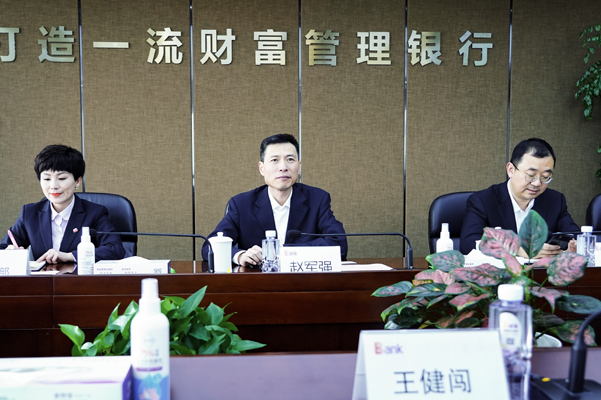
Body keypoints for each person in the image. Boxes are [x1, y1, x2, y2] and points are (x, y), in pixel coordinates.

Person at [201, 134, 348, 267]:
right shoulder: (241, 204)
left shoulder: (317, 199)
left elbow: (339, 244)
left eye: (290, 160)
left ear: (299, 167)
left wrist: (285, 254)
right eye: (274, 160)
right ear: (262, 168)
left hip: (304, 282)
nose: (283, 167)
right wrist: (240, 256)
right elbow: (209, 247)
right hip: (257, 283)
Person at [0, 144, 125, 263]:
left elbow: (115, 249)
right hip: (43, 278)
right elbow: (3, 248)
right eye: (47, 179)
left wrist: (69, 256)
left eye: (62, 178)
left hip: (79, 277)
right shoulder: (29, 213)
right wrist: (8, 252)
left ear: (77, 181)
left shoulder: (95, 213)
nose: (53, 186)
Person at [460, 138, 579, 257]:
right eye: (531, 175)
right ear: (511, 170)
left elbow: (575, 235)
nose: (537, 183)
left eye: (545, 177)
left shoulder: (555, 201)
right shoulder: (483, 201)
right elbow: (468, 244)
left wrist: (573, 247)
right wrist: (518, 250)